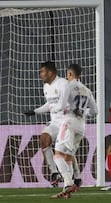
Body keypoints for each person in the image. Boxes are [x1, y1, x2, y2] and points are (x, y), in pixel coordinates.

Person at [23, 61, 82, 187]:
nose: (40, 74)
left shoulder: (63, 84)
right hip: (55, 123)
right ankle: (54, 172)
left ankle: (76, 176)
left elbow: (61, 104)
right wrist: (35, 111)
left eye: (42, 72)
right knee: (44, 139)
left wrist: (53, 108)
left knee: (65, 151)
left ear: (50, 72)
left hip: (67, 121)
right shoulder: (46, 86)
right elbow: (50, 104)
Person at [51, 64, 97, 198]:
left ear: (70, 74)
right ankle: (67, 187)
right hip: (81, 127)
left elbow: (60, 105)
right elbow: (95, 111)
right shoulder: (87, 90)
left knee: (57, 154)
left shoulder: (67, 86)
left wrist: (53, 109)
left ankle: (68, 183)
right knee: (68, 156)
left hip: (69, 123)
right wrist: (82, 111)